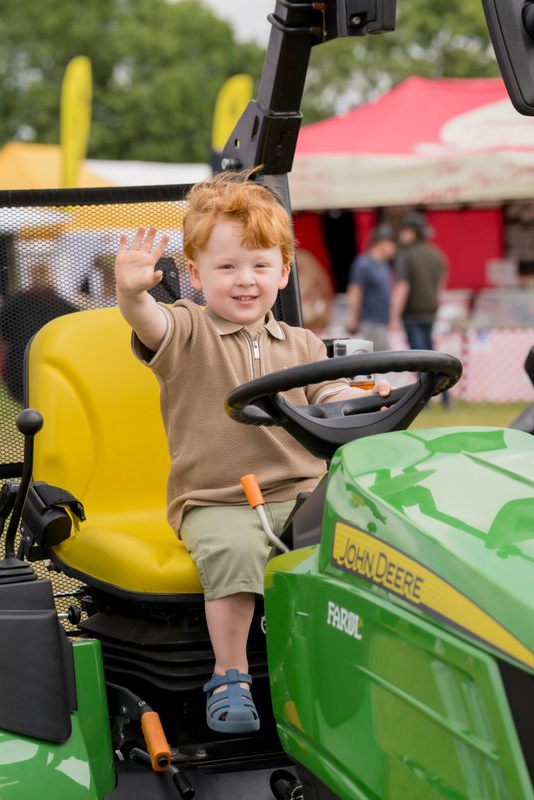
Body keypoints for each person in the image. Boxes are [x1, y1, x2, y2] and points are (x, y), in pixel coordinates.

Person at [114, 171, 390, 734]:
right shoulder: (186, 332)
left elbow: (327, 392)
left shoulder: (303, 344)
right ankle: (231, 673)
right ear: (194, 275)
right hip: (221, 497)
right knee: (236, 555)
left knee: (369, 542)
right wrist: (131, 293)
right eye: (227, 267)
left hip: (304, 491)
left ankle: (348, 664)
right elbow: (150, 321)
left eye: (260, 266)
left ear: (283, 271)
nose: (246, 280)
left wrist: (359, 394)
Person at [390, 211, 450, 406]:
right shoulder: (436, 253)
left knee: (420, 358)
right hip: (431, 311)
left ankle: (424, 399)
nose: (401, 235)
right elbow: (442, 282)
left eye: (404, 230)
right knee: (433, 354)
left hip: (412, 313)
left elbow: (402, 287)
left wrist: (393, 316)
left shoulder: (406, 255)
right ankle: (446, 397)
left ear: (412, 232)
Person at [0, 263, 77, 404]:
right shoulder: (61, 305)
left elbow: (4, 329)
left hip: (22, 363)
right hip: (42, 361)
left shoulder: (15, 303)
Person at [345, 224, 397, 351]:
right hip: (370, 322)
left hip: (382, 322)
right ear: (382, 242)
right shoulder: (363, 264)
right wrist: (354, 318)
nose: (394, 248)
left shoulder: (384, 265)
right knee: (375, 362)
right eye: (392, 244)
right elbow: (355, 291)